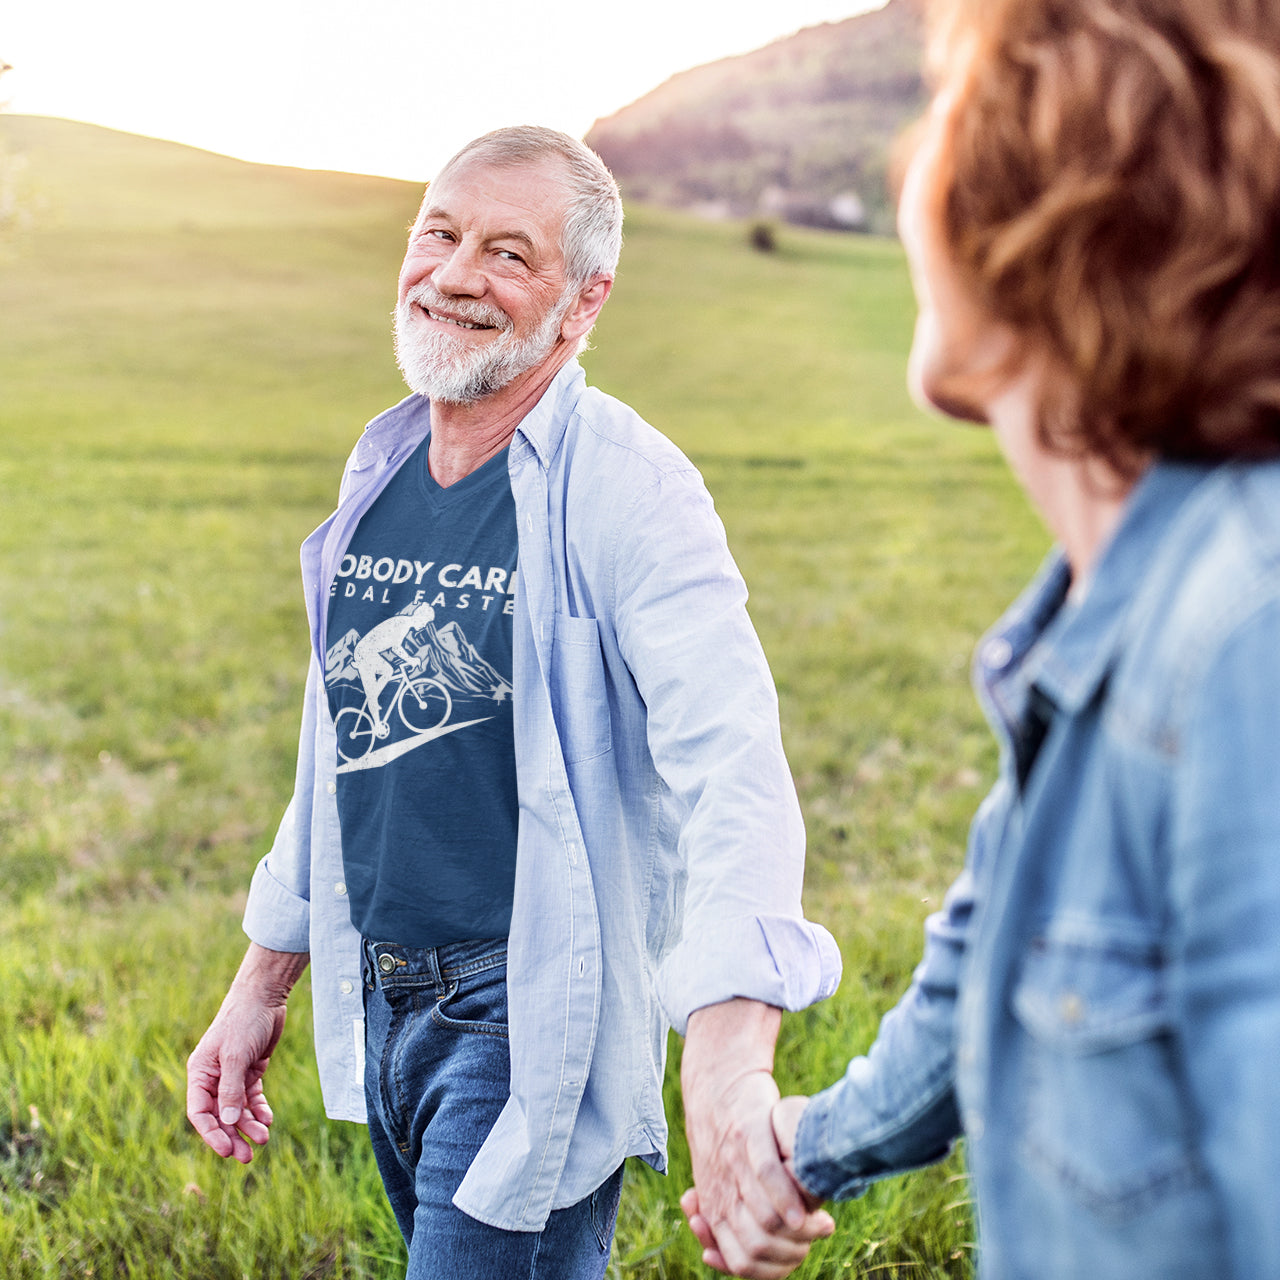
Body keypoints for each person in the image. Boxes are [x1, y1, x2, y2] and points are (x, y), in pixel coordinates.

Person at [684, 0, 1280, 1275]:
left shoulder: (1244, 644)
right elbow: (993, 963)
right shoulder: (1113, 609)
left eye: (942, 112)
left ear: (1056, 197)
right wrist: (801, 1144)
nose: (910, 160)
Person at [185, 125, 840, 1279]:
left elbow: (732, 762)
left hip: (523, 1011)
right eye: (438, 233)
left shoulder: (632, 491)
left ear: (584, 301)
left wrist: (728, 1052)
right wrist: (259, 982)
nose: (453, 274)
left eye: (506, 252)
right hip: (383, 994)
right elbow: (342, 747)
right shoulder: (382, 470)